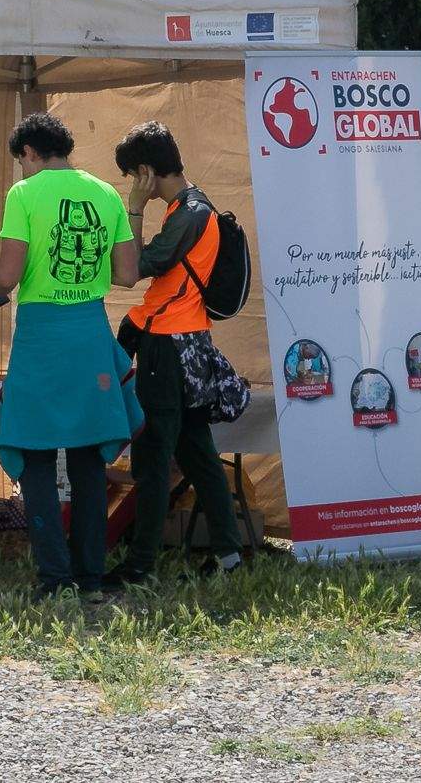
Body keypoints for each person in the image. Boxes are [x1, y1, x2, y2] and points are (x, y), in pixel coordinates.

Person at [0, 113, 141, 597]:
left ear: (28, 152)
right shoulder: (106, 193)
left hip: (42, 338)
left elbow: (8, 275)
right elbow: (128, 274)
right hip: (90, 332)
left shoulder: (24, 194)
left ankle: (54, 577)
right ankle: (90, 575)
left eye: (20, 162)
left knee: (36, 455)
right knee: (90, 459)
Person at [105, 121, 245, 589]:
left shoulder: (187, 214)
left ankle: (140, 565)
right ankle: (228, 555)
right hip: (190, 344)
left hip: (168, 347)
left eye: (132, 175)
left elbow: (131, 270)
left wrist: (134, 210)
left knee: (152, 457)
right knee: (198, 453)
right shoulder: (193, 206)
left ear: (145, 171)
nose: (132, 184)